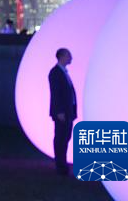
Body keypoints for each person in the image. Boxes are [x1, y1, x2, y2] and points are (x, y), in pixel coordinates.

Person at [49, 47, 77, 175]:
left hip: (68, 112)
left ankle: (62, 164)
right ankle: (60, 166)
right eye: (68, 55)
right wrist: (59, 111)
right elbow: (56, 93)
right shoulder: (55, 73)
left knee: (65, 137)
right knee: (61, 138)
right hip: (62, 113)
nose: (71, 58)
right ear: (62, 57)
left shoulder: (63, 72)